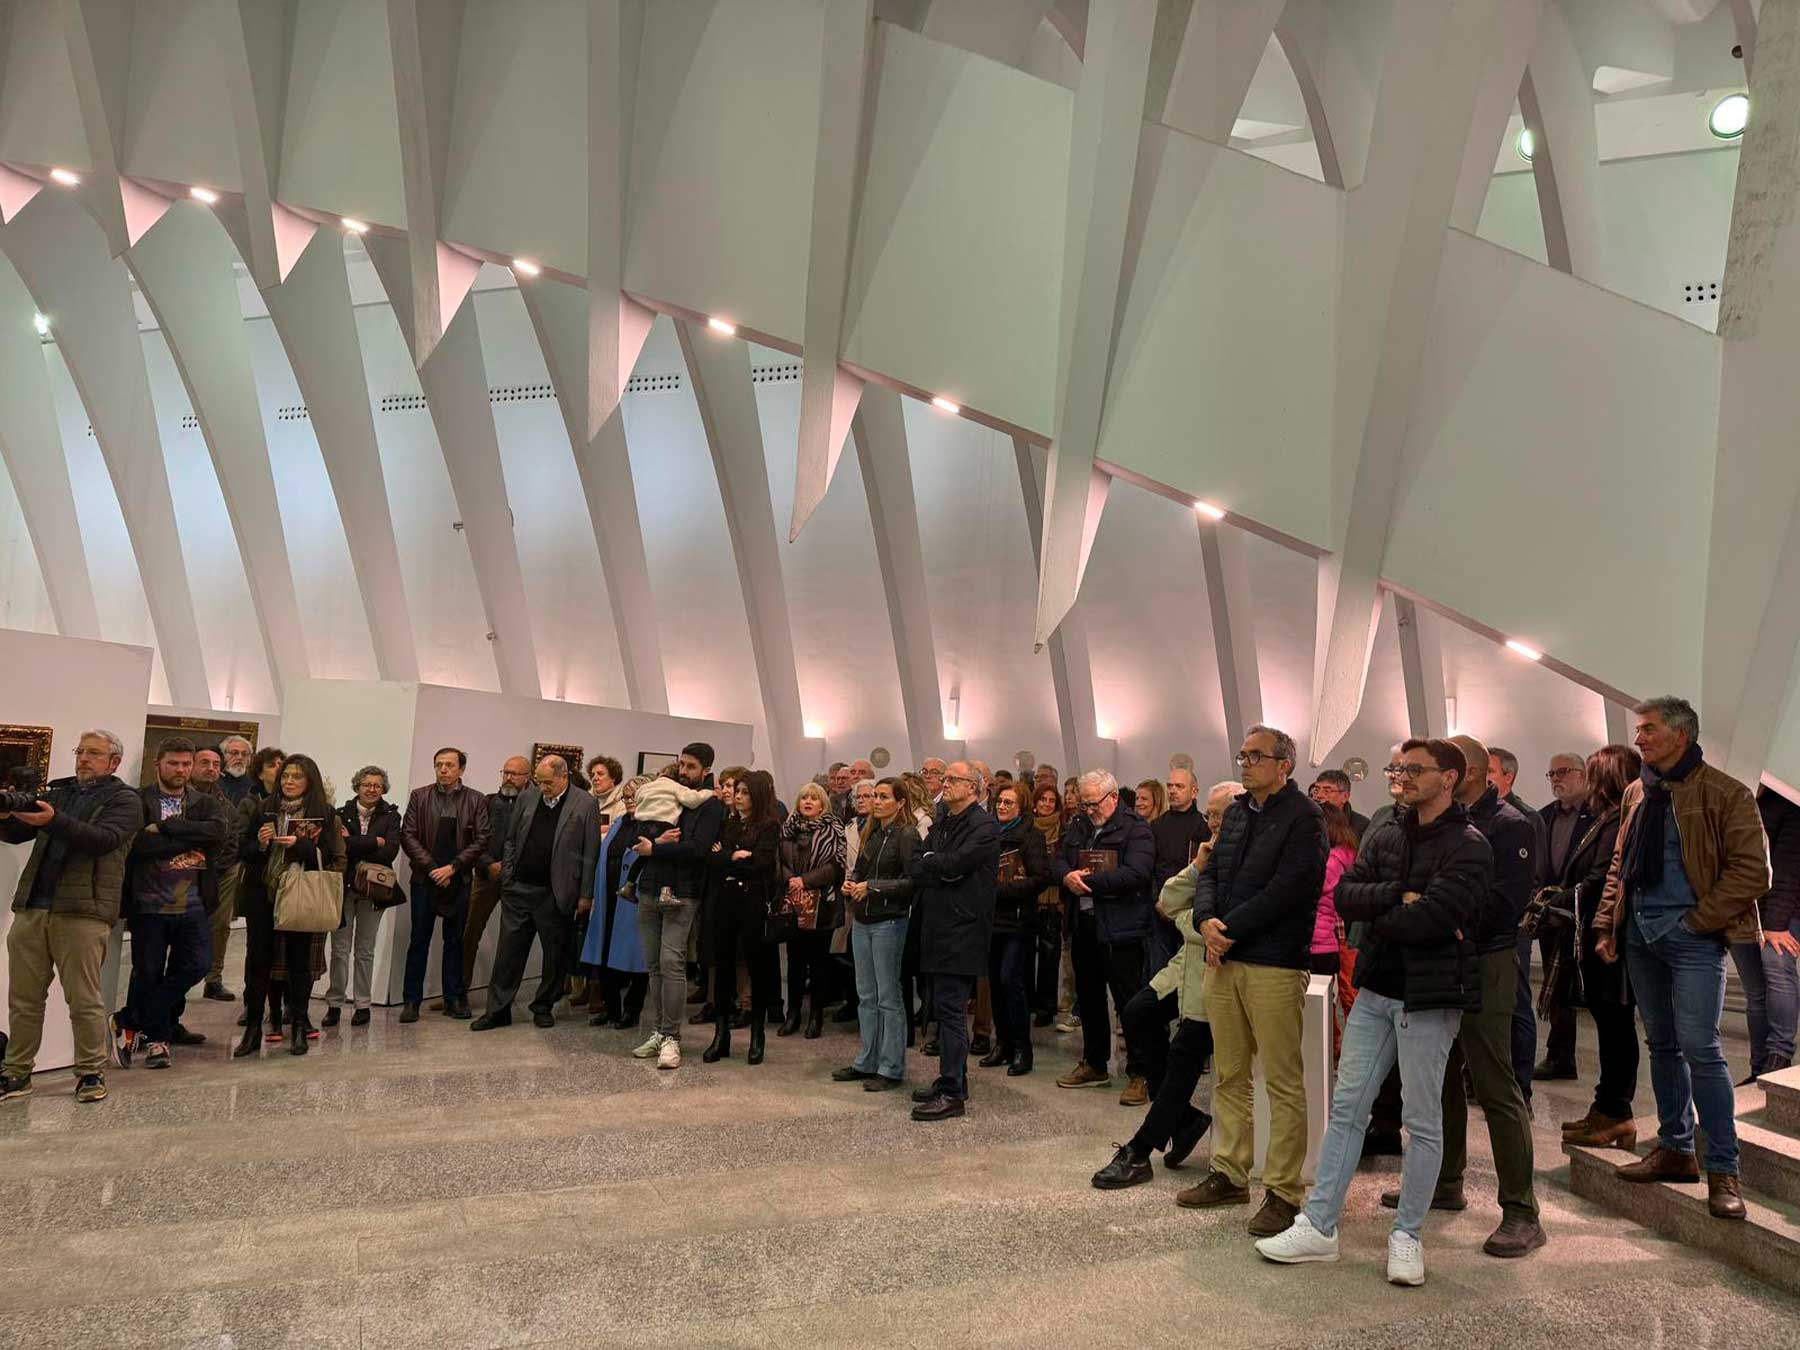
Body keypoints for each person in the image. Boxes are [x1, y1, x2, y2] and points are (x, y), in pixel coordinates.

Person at [1255, 738, 1489, 1286]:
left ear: (1449, 778)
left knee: (1421, 1121)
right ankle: (1319, 1225)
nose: (1401, 777)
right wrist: (1400, 896)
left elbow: (1436, 919)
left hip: (1429, 996)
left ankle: (1407, 1235)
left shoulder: (1469, 845)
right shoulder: (1387, 829)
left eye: (1414, 769)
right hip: (1378, 987)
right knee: (1347, 1108)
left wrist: (1391, 907)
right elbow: (1346, 896)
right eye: (1397, 768)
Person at [1593, 696, 1770, 1220]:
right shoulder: (1637, 791)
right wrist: (1608, 923)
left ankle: (1723, 1169)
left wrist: (1697, 921)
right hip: (1640, 936)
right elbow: (1621, 863)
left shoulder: (1725, 792)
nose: (1639, 738)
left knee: (1701, 1049)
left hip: (1694, 939)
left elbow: (1753, 872)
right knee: (1663, 1045)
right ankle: (1675, 1147)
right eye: (1638, 729)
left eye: (1649, 729)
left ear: (1681, 735)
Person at [1386, 733, 1544, 1259]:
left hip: (1486, 961)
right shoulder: (1433, 823)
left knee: (1494, 1081)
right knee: (1440, 1077)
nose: (1409, 777)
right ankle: (1445, 1181)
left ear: (1463, 774)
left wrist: (1438, 912)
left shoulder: (1510, 825)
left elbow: (1505, 904)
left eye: (1423, 769)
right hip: (1440, 959)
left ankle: (1521, 1212)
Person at [1180, 725, 1327, 1238]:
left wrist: (1228, 930)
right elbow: (1212, 873)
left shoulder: (1305, 817)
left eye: (1255, 756)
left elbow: (1291, 889)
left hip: (1273, 961)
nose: (1245, 763)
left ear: (1284, 764)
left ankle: (1283, 1192)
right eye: (1242, 755)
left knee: (1282, 1082)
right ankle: (1229, 1172)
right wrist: (1204, 920)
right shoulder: (1238, 811)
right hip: (1225, 960)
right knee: (1229, 1073)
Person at [1092, 781, 1243, 1191]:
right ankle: (1184, 1120)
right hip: (1185, 965)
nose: (1213, 823)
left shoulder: (1246, 857)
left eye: (1220, 815)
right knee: (1138, 1013)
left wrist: (1191, 923)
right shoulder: (1209, 853)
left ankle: (1140, 1149)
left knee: (1184, 1055)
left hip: (1219, 973)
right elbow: (1168, 902)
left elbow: (1217, 924)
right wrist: (1197, 868)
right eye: (1211, 815)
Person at [0, 730, 143, 1104]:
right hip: (33, 906)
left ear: (114, 762)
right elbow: (16, 834)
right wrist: (7, 812)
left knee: (83, 999)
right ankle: (16, 1072)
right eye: (81, 751)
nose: (83, 758)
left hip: (83, 910)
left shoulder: (126, 800)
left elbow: (101, 840)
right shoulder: (59, 793)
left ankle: (91, 1071)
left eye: (94, 753)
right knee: (23, 998)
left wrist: (52, 820)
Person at [118, 738, 229, 1070]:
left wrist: (166, 828)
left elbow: (217, 834)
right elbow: (137, 845)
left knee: (196, 965)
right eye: (173, 763)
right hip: (149, 904)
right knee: (148, 971)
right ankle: (159, 1039)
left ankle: (131, 1019)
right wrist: (189, 840)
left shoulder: (204, 802)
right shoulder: (139, 800)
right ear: (158, 765)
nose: (180, 770)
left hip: (193, 903)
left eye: (185, 764)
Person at [1556, 744, 1643, 1149]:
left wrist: (1556, 899)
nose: (1588, 784)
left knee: (1615, 1027)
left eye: (1593, 775)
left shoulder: (1617, 821)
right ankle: (1606, 1107)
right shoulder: (1607, 819)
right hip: (1595, 933)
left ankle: (1615, 1111)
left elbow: (1599, 878)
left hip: (1608, 938)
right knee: (1610, 1026)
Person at [473, 755, 600, 1031]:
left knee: (554, 956)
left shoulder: (585, 803)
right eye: (539, 782)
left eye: (548, 783)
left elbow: (591, 851)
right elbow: (511, 839)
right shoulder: (528, 797)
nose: (543, 788)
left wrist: (586, 894)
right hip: (519, 889)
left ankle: (543, 1006)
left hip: (556, 893)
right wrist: (508, 876)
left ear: (564, 777)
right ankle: (498, 1010)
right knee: (508, 954)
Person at [233, 754, 347, 1057]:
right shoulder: (264, 808)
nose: (289, 782)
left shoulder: (324, 813)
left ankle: (298, 1025)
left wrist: (301, 845)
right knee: (258, 961)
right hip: (263, 893)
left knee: (299, 962)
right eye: (285, 776)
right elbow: (243, 850)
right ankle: (253, 1028)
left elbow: (329, 856)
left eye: (296, 776)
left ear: (310, 781)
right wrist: (260, 843)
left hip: (301, 893)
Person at [1054, 770, 1156, 1101]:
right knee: (1089, 998)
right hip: (1083, 925)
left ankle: (1140, 1073)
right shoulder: (1079, 825)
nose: (1088, 810)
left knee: (1130, 1003)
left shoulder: (1136, 829)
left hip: (1121, 928)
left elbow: (1137, 874)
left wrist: (1087, 883)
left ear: (1113, 797)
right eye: (1084, 804)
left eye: (1093, 803)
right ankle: (1095, 1063)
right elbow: (1058, 858)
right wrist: (1066, 876)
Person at [908, 762, 1000, 1121]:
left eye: (952, 780)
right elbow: (917, 863)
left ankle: (952, 1093)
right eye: (943, 779)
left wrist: (937, 864)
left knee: (950, 1009)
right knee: (943, 1008)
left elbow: (956, 864)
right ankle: (953, 1078)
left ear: (973, 787)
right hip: (937, 924)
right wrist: (937, 865)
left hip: (963, 929)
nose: (944, 784)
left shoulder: (984, 825)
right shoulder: (944, 819)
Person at [628, 742, 726, 1070]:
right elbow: (636, 832)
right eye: (681, 764)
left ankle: (672, 1037)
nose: (684, 771)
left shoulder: (709, 804)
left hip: (683, 891)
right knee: (654, 964)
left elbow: (698, 848)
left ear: (706, 770)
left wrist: (656, 849)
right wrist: (655, 843)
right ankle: (659, 1031)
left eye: (691, 767)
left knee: (672, 963)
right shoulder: (666, 790)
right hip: (650, 887)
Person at [399, 747, 491, 1023]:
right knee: (419, 941)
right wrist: (432, 868)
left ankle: (453, 999)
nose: (443, 770)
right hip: (425, 880)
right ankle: (411, 1001)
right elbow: (408, 835)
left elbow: (482, 839)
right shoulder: (420, 796)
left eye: (449, 765)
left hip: (459, 879)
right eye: (439, 764)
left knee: (455, 942)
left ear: (461, 769)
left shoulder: (476, 800)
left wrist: (453, 867)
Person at [837, 776, 918, 1089]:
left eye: (884, 797)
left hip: (890, 921)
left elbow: (913, 882)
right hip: (863, 920)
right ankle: (867, 1060)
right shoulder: (871, 831)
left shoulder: (907, 834)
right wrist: (851, 885)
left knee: (888, 997)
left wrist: (872, 887)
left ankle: (891, 1067)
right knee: (866, 996)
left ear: (900, 802)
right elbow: (859, 870)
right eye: (875, 796)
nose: (878, 802)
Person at [703, 770, 782, 1063]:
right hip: (725, 900)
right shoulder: (729, 822)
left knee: (755, 966)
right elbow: (711, 858)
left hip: (753, 901)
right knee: (722, 965)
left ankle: (757, 1034)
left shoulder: (769, 825)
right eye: (737, 791)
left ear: (757, 795)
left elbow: (761, 864)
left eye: (745, 792)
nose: (738, 797)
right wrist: (733, 856)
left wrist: (727, 857)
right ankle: (720, 1034)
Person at [982, 781, 1052, 1075]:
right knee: (995, 984)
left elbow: (1041, 878)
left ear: (1021, 807)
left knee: (1011, 980)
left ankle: (1023, 1047)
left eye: (1008, 802)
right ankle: (1003, 1043)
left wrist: (1003, 889)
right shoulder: (987, 834)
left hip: (1018, 920)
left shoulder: (1031, 836)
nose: (1001, 806)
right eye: (999, 801)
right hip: (990, 920)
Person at [326, 766, 401, 1027]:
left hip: (375, 891)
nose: (372, 789)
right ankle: (335, 1003)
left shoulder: (392, 815)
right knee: (339, 950)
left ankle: (363, 1004)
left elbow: (389, 852)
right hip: (345, 889)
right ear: (357, 786)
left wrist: (354, 842)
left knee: (365, 951)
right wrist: (373, 841)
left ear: (383, 789)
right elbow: (338, 848)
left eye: (377, 785)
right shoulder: (340, 813)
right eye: (367, 784)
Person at [1534, 751, 1593, 1080]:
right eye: (1552, 774)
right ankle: (1560, 1056)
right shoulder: (1544, 817)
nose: (1556, 778)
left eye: (1563, 772)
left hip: (1585, 912)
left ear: (1583, 775)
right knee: (1556, 985)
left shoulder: (1597, 816)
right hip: (1552, 914)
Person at [1735, 787, 1800, 1079]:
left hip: (1781, 910)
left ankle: (1779, 1057)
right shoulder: (1739, 796)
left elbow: (1788, 868)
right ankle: (1759, 1067)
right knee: (1755, 992)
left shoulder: (1789, 798)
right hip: (1742, 908)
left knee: (1777, 967)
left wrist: (1775, 924)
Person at [776, 782, 847, 1038]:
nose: (808, 802)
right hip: (793, 901)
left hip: (823, 903)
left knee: (819, 962)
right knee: (794, 960)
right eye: (804, 797)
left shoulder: (834, 828)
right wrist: (791, 880)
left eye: (814, 798)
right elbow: (778, 861)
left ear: (822, 804)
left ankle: (816, 1015)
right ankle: (793, 1013)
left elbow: (836, 866)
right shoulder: (788, 828)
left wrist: (805, 881)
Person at [458, 756, 529, 1002]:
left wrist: (507, 866)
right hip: (485, 876)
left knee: (511, 940)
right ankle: (459, 992)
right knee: (468, 932)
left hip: (517, 880)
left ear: (527, 778)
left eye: (514, 774)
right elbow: (473, 838)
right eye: (505, 772)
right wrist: (488, 863)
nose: (508, 778)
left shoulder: (533, 805)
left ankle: (500, 997)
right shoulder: (486, 802)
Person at [583, 775, 650, 1029]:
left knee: (636, 958)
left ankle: (632, 1011)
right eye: (626, 796)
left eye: (634, 796)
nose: (629, 800)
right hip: (608, 897)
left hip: (634, 901)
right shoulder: (619, 822)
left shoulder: (651, 826)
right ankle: (610, 1009)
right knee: (605, 954)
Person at [186, 746, 241, 1023]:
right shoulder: (177, 799)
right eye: (205, 762)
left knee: (220, 925)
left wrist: (213, 867)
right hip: (181, 873)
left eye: (216, 764)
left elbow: (233, 839)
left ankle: (214, 979)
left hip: (221, 871)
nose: (211, 768)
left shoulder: (226, 804)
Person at [1030, 783, 1065, 1027]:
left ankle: (1046, 1006)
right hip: (1029, 897)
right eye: (1043, 799)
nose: (1047, 804)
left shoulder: (1063, 831)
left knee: (1049, 955)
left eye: (1052, 800)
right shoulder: (1027, 828)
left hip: (1053, 899)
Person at [1308, 770, 1369, 843]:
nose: (1319, 795)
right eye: (1316, 790)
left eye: (1327, 791)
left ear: (1345, 797)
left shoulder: (1361, 825)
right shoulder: (1306, 818)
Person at [217, 736, 258, 805]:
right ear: (223, 757)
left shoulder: (256, 785)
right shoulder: (214, 781)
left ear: (249, 760)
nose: (240, 757)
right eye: (234, 753)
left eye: (244, 754)